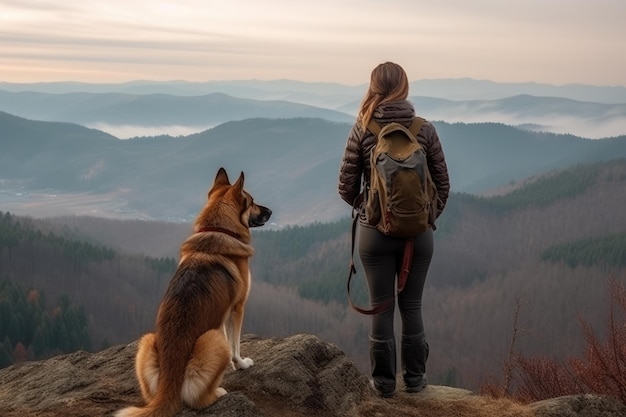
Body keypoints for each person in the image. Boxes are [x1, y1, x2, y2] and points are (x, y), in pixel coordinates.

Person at [338, 61, 450, 398]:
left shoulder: (362, 128)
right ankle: (415, 381)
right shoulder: (424, 129)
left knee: (381, 307)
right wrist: (422, 218)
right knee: (412, 307)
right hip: (419, 235)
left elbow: (345, 187)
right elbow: (443, 186)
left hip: (375, 236)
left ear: (374, 87)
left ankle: (384, 385)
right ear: (404, 87)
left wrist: (372, 211)